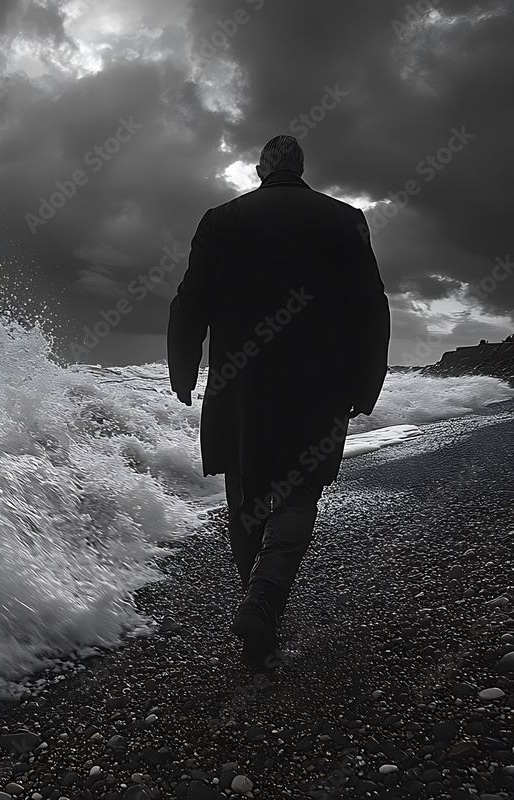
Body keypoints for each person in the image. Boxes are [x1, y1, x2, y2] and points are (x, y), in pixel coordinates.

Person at [167, 135, 390, 668]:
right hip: (319, 383)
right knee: (299, 490)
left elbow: (189, 300)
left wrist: (183, 369)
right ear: (301, 167)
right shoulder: (345, 219)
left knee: (245, 492)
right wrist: (367, 383)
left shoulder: (221, 219)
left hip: (238, 382)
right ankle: (263, 600)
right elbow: (370, 306)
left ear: (262, 168)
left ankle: (258, 607)